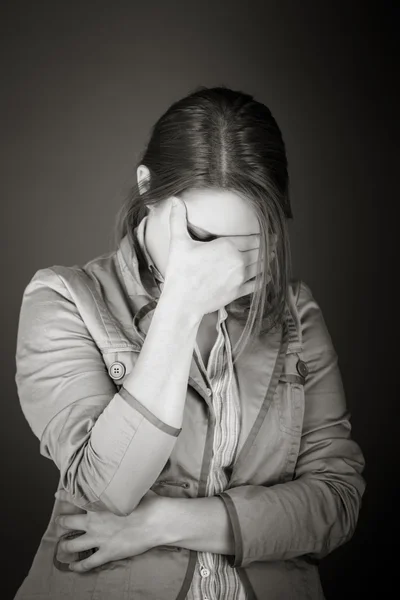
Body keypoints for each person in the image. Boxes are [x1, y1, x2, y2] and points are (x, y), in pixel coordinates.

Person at [14, 85, 366, 600]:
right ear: (146, 189)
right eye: (201, 238)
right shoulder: (63, 298)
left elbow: (334, 503)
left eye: (247, 246)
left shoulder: (295, 315)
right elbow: (106, 490)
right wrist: (180, 306)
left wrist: (164, 522)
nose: (220, 268)